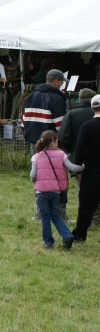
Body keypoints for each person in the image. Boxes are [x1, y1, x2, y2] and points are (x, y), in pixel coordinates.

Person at [23, 69, 68, 219]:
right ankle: (59, 214)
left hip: (34, 142)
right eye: (61, 82)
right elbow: (61, 126)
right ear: (56, 82)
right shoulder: (57, 98)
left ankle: (39, 212)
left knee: (39, 177)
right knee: (57, 178)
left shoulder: (31, 96)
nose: (62, 85)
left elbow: (25, 121)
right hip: (51, 143)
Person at [31, 130, 81, 249]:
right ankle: (67, 235)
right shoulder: (62, 155)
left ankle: (48, 243)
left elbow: (32, 175)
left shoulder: (36, 157)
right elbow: (72, 167)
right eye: (57, 140)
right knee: (55, 215)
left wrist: (36, 182)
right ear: (53, 141)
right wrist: (83, 167)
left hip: (41, 192)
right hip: (56, 191)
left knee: (45, 218)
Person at [59, 88, 99, 227]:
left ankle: (86, 220)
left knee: (82, 190)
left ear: (80, 100)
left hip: (79, 158)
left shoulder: (71, 114)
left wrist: (71, 151)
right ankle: (96, 219)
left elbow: (63, 137)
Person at [72, 94, 100, 243]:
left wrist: (78, 169)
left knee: (86, 207)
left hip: (92, 172)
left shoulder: (87, 126)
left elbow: (80, 150)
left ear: (92, 108)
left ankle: (80, 235)